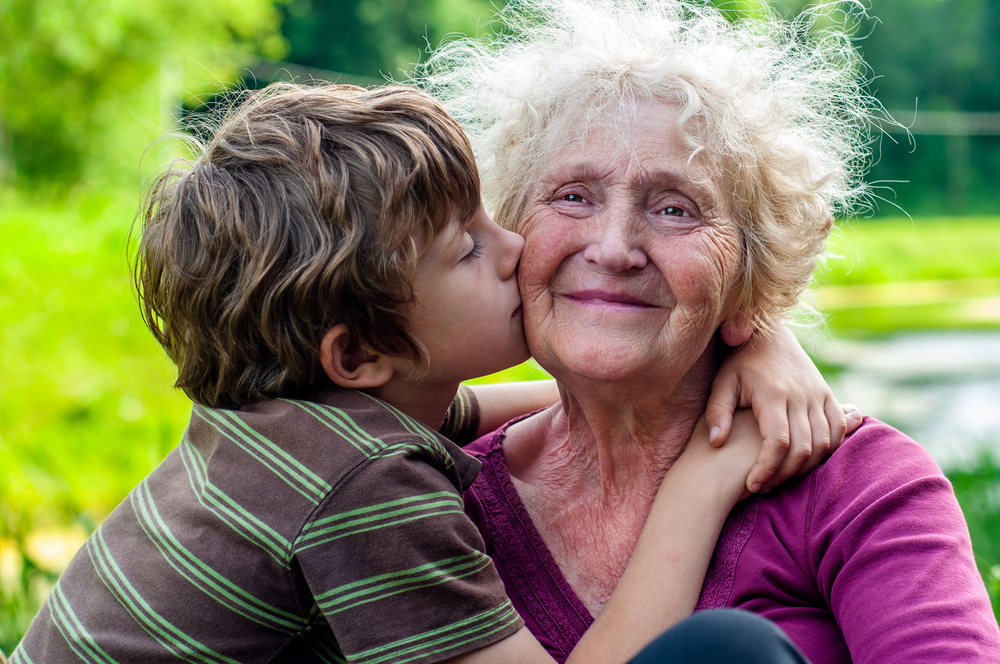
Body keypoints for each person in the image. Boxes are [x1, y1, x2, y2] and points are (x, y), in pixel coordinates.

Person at [8, 83, 851, 664]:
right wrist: (706, 473)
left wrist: (737, 344)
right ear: (359, 353)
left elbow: (501, 409)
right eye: (468, 249)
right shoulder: (365, 486)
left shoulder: (305, 418)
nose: (516, 247)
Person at [419, 1, 1000, 663]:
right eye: (574, 196)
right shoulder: (427, 496)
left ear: (751, 276)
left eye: (675, 208)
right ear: (510, 240)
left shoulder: (857, 483)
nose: (613, 249)